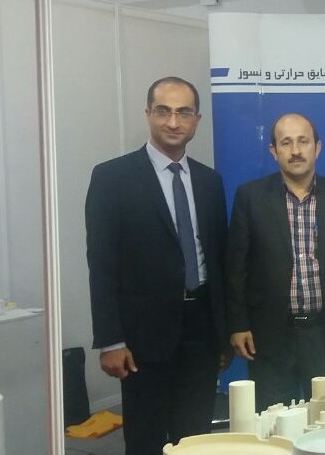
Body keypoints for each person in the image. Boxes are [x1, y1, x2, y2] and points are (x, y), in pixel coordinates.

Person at [85, 76, 229, 454]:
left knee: (196, 439)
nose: (173, 122)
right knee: (146, 441)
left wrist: (222, 332)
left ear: (197, 119)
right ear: (148, 114)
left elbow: (217, 260)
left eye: (184, 113)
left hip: (201, 332)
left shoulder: (210, 181)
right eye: (164, 111)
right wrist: (110, 340)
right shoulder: (112, 178)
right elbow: (101, 264)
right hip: (142, 339)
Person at [227, 113, 325, 411]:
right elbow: (236, 267)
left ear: (317, 148)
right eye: (286, 143)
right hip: (271, 337)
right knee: (274, 424)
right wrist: (238, 324)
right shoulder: (250, 197)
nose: (295, 151)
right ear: (273, 151)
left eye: (303, 141)